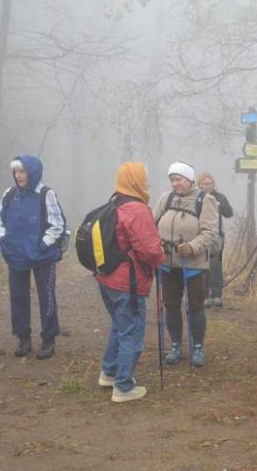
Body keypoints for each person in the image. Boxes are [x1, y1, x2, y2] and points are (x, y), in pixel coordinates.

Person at [96, 162, 165, 403]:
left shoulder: (114, 203)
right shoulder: (137, 209)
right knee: (131, 331)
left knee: (119, 325)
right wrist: (162, 254)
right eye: (144, 178)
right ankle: (123, 387)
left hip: (106, 278)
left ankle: (109, 372)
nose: (148, 182)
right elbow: (150, 251)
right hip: (128, 283)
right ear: (135, 180)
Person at [0, 155, 65, 360]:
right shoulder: (10, 194)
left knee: (47, 297)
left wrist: (42, 245)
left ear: (32, 173)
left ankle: (48, 340)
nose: (18, 176)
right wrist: (3, 241)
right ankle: (23, 338)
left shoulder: (46, 194)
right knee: (18, 297)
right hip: (16, 255)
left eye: (23, 171)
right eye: (16, 172)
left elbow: (57, 224)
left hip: (43, 256)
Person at [155, 162, 219, 366]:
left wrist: (192, 247)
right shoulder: (165, 198)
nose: (175, 184)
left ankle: (198, 347)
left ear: (189, 179)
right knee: (171, 305)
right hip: (167, 262)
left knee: (195, 306)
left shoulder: (205, 200)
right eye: (172, 180)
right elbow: (151, 222)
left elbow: (210, 233)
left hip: (194, 264)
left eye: (179, 179)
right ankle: (176, 346)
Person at [197, 172, 233, 308]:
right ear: (199, 184)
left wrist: (220, 205)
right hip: (199, 236)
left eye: (210, 183)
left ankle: (217, 295)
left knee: (216, 266)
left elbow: (229, 214)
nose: (208, 186)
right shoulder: (196, 197)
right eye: (205, 183)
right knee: (202, 266)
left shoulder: (220, 197)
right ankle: (204, 296)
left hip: (217, 237)